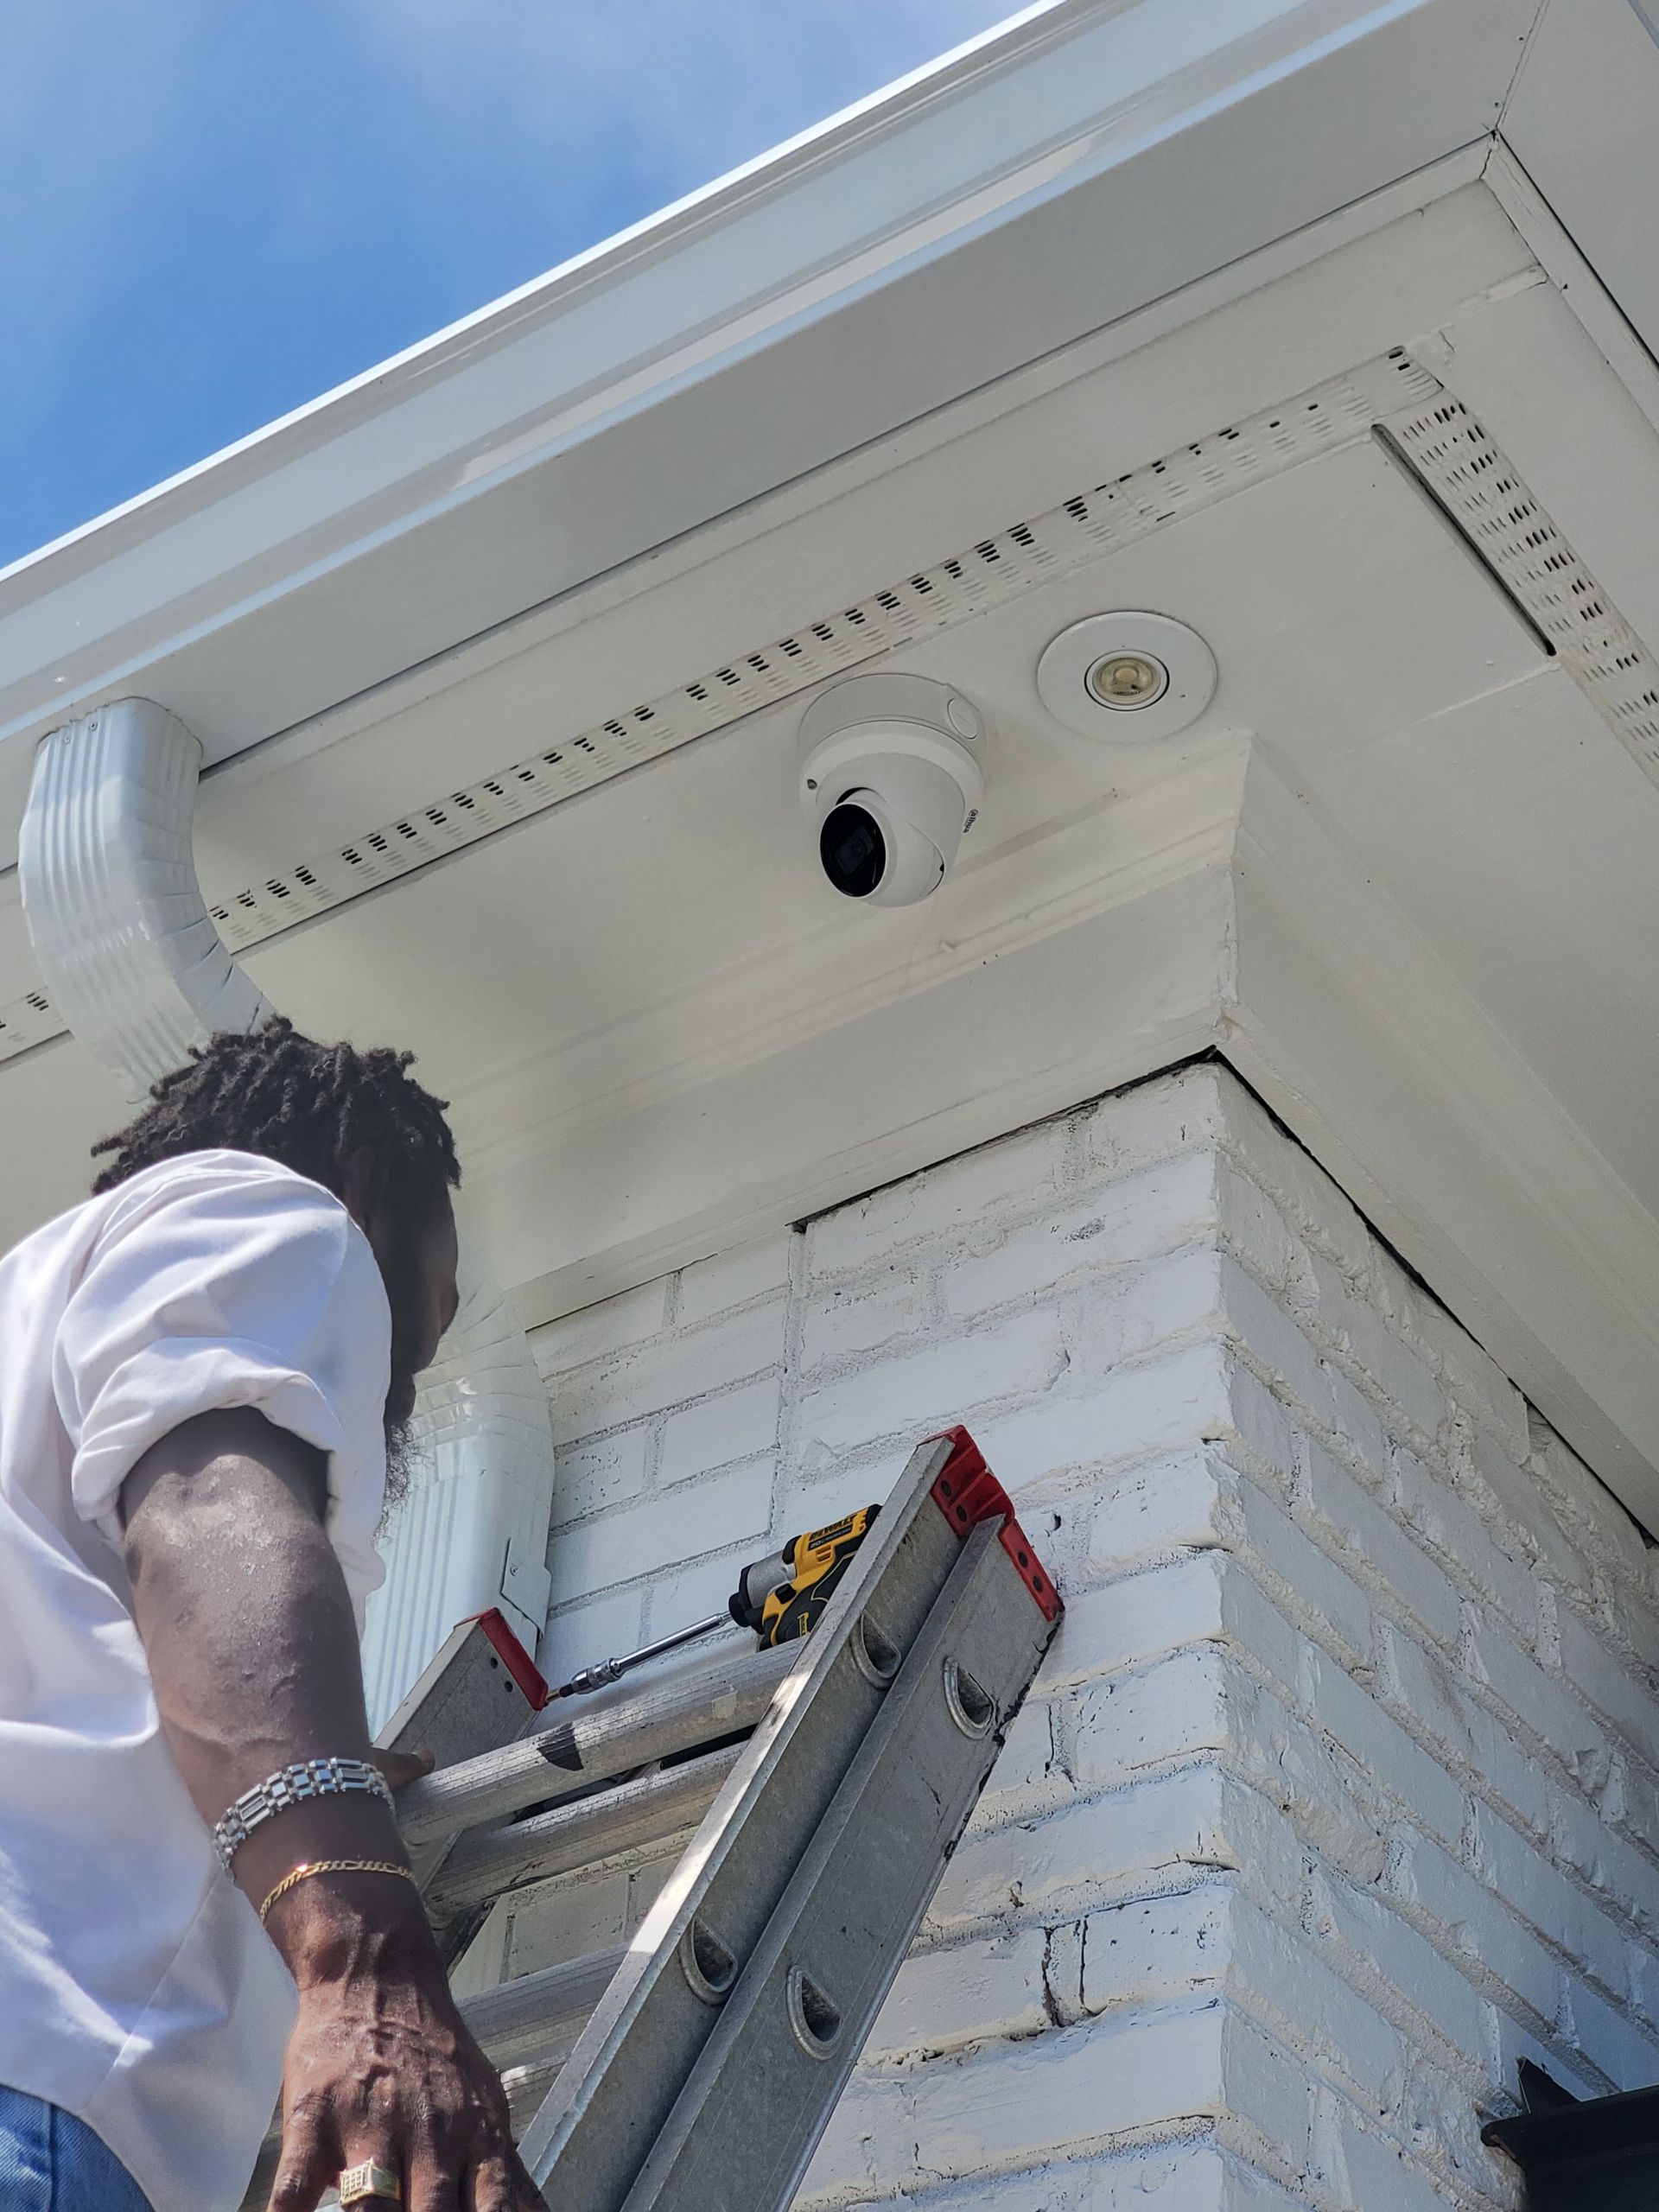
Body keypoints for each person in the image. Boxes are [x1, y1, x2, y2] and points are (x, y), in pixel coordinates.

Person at [0, 1020, 545, 2212]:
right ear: (360, 1188)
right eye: (418, 1329)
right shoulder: (270, 1213)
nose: (398, 1387)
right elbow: (205, 1515)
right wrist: (358, 1946)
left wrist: (301, 1762)